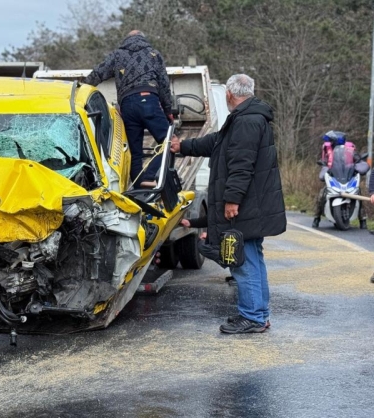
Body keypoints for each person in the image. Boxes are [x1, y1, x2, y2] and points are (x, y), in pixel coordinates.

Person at [170, 74, 286, 334]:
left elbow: (241, 165)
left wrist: (232, 199)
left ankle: (254, 317)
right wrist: (184, 146)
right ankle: (258, 314)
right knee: (252, 259)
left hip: (246, 205)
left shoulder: (246, 121)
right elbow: (217, 144)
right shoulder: (248, 118)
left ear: (230, 95)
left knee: (243, 263)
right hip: (253, 205)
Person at [83, 30, 173, 186]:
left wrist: (81, 89)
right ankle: (149, 176)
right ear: (143, 39)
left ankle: (139, 185)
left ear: (127, 40)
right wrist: (168, 110)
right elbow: (164, 84)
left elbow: (98, 73)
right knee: (170, 143)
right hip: (148, 100)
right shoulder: (153, 54)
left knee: (134, 152)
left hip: (127, 106)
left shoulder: (117, 55)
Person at [312, 131, 367, 228]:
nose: (329, 143)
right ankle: (316, 218)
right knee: (322, 194)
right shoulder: (327, 149)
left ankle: (363, 220)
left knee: (358, 193)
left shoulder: (350, 149)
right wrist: (324, 166)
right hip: (333, 176)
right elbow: (324, 161)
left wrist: (358, 163)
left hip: (348, 176)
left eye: (331, 141)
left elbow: (357, 159)